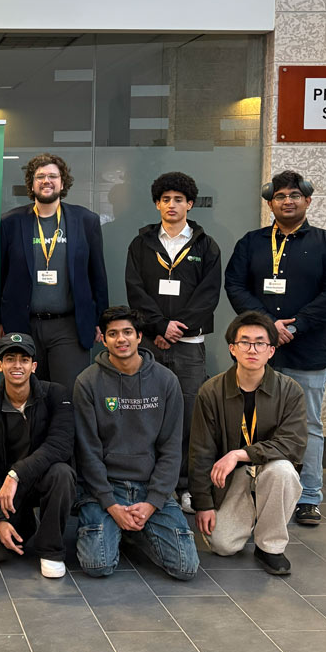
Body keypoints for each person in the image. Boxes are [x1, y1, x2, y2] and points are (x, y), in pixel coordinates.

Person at [224, 171, 326, 527]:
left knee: (308, 424)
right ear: (270, 204)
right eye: (280, 196)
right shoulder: (251, 243)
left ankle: (309, 496)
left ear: (308, 201)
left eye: (295, 195)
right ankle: (251, 489)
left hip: (308, 351)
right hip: (257, 351)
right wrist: (267, 325)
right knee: (251, 421)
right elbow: (234, 285)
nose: (288, 201)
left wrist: (295, 326)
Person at [73, 306, 198, 581]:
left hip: (150, 487)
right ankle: (121, 527)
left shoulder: (167, 382)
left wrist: (152, 502)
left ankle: (133, 531)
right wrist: (110, 504)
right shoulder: (87, 382)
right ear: (103, 340)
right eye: (113, 334)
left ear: (140, 336)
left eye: (128, 332)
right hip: (104, 488)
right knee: (97, 565)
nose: (121, 339)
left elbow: (170, 449)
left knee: (186, 568)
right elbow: (87, 451)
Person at [125, 172, 221, 514]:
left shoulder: (206, 246)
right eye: (165, 199)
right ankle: (150, 486)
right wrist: (160, 326)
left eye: (178, 199)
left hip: (190, 346)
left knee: (189, 419)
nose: (171, 205)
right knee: (145, 414)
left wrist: (178, 328)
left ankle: (187, 487)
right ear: (157, 204)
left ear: (189, 204)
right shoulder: (141, 244)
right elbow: (135, 290)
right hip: (150, 344)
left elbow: (208, 295)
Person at [189, 311, 307, 575]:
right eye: (244, 342)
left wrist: (239, 454)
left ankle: (270, 546)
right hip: (230, 478)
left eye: (260, 343)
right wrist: (203, 504)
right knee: (223, 545)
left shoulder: (290, 391)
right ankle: (250, 513)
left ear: (271, 351)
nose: (252, 349)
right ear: (232, 348)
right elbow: (200, 451)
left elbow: (293, 444)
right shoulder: (211, 391)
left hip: (269, 470)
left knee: (284, 470)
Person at [0, 333, 77, 578]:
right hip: (8, 494)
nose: (17, 365)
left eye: (24, 359)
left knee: (62, 473)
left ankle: (51, 550)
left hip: (42, 480)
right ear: (0, 365)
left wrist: (16, 474)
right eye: (10, 359)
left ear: (34, 366)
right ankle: (25, 522)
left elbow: (60, 446)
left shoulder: (56, 395)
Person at [0, 153, 108, 394]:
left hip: (69, 326)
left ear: (62, 182)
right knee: (26, 394)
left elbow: (97, 274)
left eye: (52, 176)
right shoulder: (11, 222)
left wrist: (101, 319)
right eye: (40, 176)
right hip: (23, 325)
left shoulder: (85, 221)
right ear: (31, 183)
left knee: (68, 395)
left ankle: (66, 434)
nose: (46, 181)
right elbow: (0, 276)